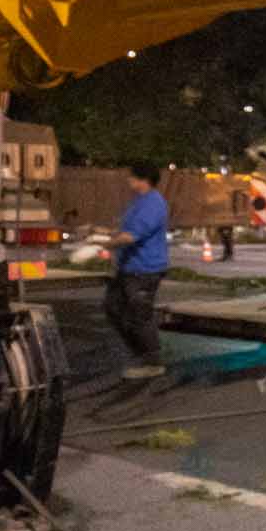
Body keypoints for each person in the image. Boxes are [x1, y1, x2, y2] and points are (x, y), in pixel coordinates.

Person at [104, 162, 171, 380]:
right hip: (129, 268)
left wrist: (104, 244)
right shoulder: (139, 202)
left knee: (140, 316)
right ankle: (142, 354)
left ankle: (153, 362)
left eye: (131, 177)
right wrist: (102, 232)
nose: (128, 180)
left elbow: (132, 236)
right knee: (113, 307)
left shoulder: (153, 203)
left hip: (144, 269)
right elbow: (125, 230)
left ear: (142, 179)